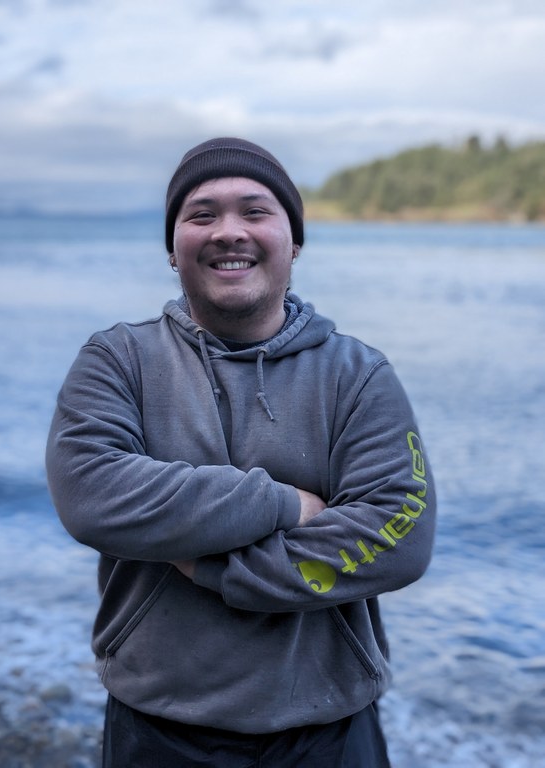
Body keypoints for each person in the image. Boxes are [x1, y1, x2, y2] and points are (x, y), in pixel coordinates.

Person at [46, 137, 436, 767]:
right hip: (159, 726)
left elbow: (400, 535)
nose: (229, 231)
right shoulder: (117, 361)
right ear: (173, 250)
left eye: (256, 212)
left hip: (328, 729)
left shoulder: (358, 375)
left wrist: (216, 568)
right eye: (201, 215)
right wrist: (284, 503)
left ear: (295, 242)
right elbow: (93, 498)